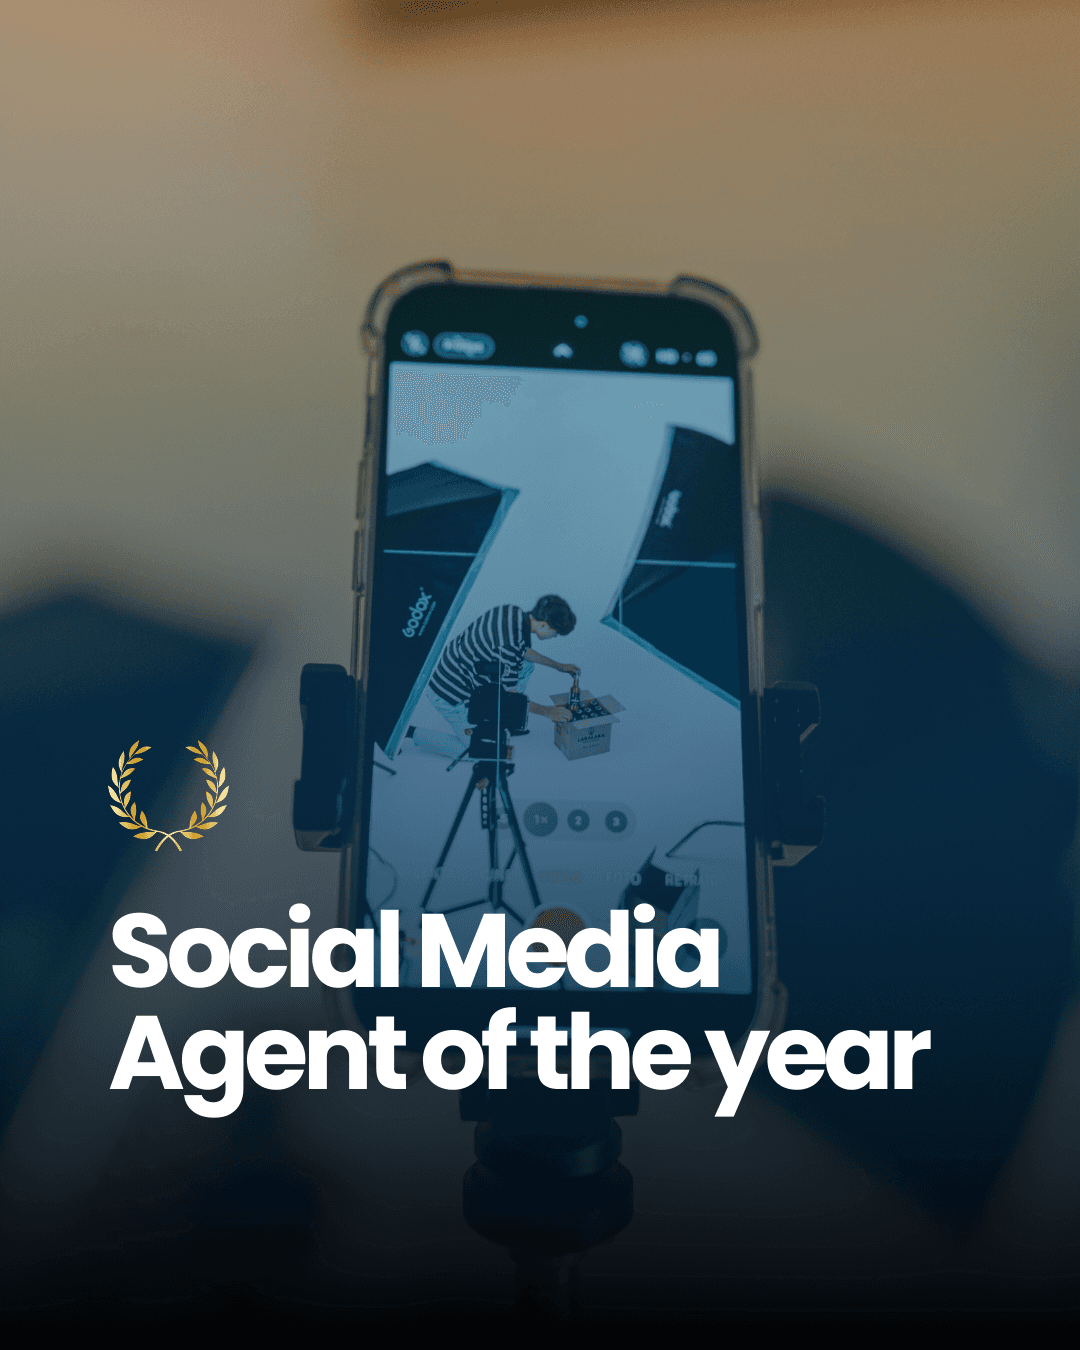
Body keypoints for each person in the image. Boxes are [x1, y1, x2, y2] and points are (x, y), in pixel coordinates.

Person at [407, 594, 580, 759]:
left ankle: (505, 719)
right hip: (450, 694)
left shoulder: (514, 614)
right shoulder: (507, 650)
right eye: (555, 632)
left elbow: (523, 652)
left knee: (526, 666)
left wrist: (559, 666)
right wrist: (547, 711)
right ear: (544, 625)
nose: (554, 636)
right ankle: (410, 733)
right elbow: (508, 697)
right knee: (476, 751)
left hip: (462, 667)